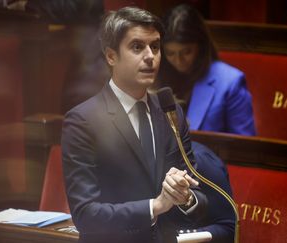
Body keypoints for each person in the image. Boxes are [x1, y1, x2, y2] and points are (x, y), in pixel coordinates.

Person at [61, 7, 208, 243]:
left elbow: (199, 199)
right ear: (111, 56)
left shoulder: (171, 112)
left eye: (156, 46)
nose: (150, 56)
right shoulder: (83, 121)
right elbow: (86, 215)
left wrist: (185, 195)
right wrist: (156, 206)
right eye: (137, 47)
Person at [158, 4, 256, 136]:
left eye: (186, 52)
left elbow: (244, 150)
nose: (178, 60)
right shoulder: (153, 76)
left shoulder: (231, 82)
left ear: (201, 46)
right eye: (170, 53)